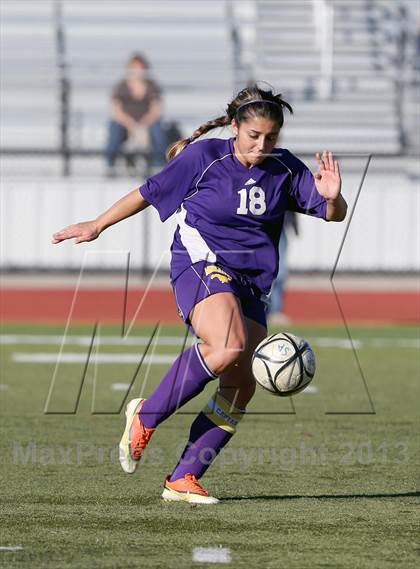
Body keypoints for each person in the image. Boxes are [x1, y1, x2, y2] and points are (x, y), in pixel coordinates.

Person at [52, 84, 347, 504]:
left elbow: (332, 213)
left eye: (271, 138)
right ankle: (146, 415)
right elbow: (146, 192)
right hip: (200, 262)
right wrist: (97, 225)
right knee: (227, 345)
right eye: (253, 137)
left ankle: (184, 477)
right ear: (234, 127)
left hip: (252, 282)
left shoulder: (284, 167)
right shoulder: (206, 157)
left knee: (241, 384)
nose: (261, 146)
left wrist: (334, 200)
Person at [105, 53, 167, 176]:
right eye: (134, 68)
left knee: (157, 129)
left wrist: (142, 125)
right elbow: (116, 112)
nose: (137, 71)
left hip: (146, 123)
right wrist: (132, 125)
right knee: (114, 129)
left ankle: (160, 165)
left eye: (140, 68)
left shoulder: (152, 86)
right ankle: (109, 166)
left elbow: (156, 110)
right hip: (125, 123)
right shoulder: (121, 86)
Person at [268, 210, 298, 325]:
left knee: (280, 272)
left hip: (280, 226)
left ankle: (274, 311)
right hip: (262, 225)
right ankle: (267, 311)